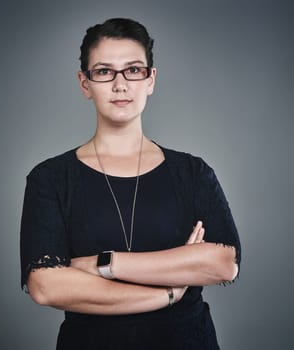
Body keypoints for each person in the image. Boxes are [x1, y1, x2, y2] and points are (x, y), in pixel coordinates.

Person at [20, 18, 241, 350]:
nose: (120, 84)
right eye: (104, 71)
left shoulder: (192, 172)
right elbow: (46, 287)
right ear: (85, 83)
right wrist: (167, 291)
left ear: (151, 80)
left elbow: (223, 263)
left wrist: (104, 264)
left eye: (134, 70)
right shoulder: (50, 178)